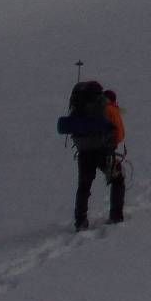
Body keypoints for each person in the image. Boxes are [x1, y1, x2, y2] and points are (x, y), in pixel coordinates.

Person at [56, 79, 127, 229]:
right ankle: (116, 216)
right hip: (104, 151)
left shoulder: (78, 107)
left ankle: (80, 221)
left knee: (84, 186)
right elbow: (119, 135)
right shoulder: (107, 108)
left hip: (83, 152)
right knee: (117, 180)